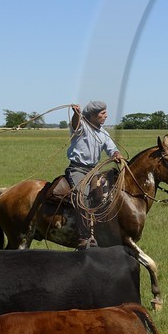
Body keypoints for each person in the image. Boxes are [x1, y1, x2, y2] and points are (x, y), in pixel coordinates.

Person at [52, 101, 125, 236]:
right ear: (92, 115)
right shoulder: (82, 127)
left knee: (107, 196)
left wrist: (116, 154)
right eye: (103, 113)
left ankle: (102, 228)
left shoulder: (103, 133)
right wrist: (76, 114)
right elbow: (76, 124)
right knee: (82, 197)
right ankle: (83, 235)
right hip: (78, 169)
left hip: (94, 171)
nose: (106, 116)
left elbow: (111, 149)